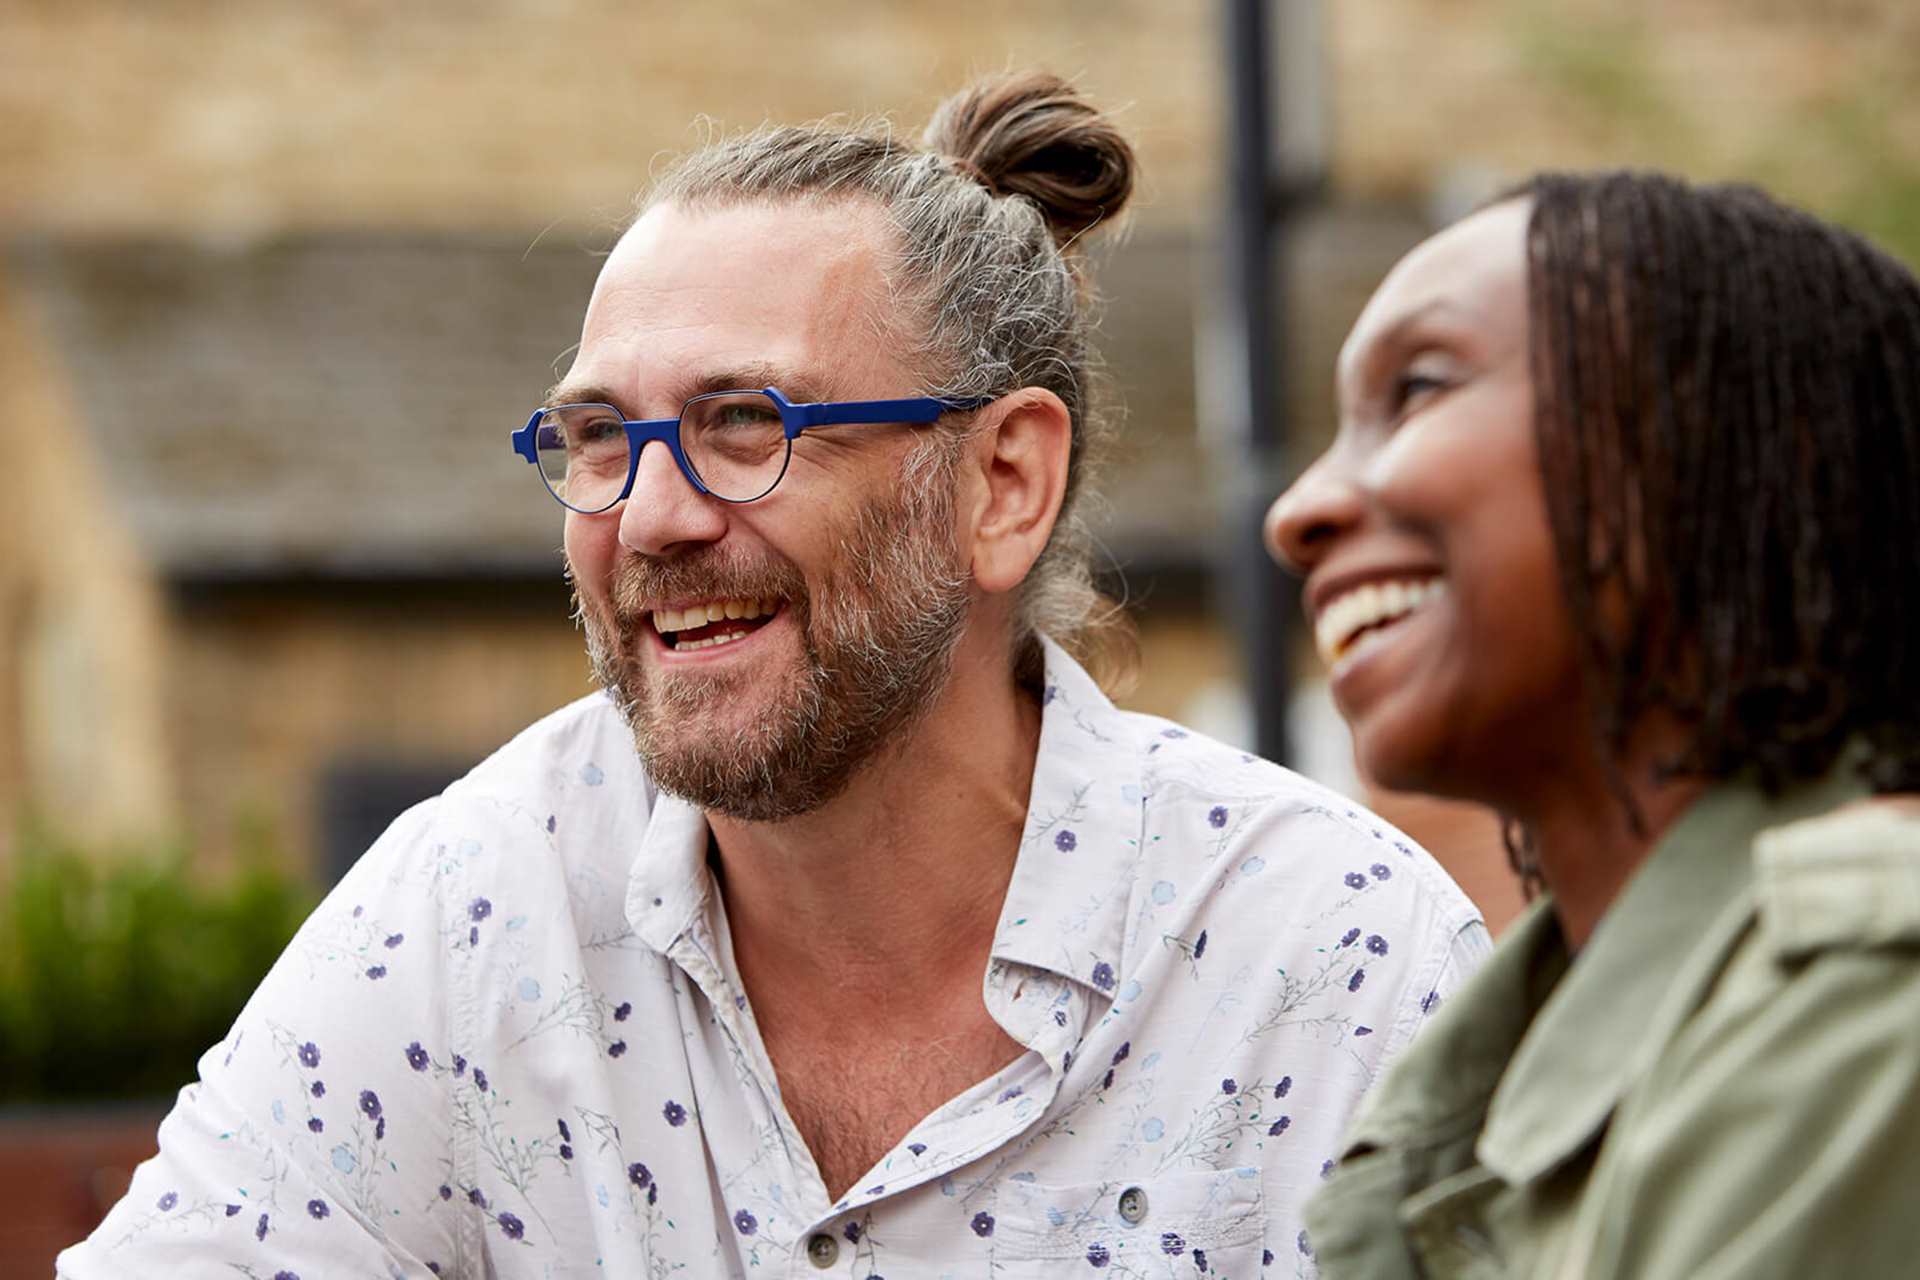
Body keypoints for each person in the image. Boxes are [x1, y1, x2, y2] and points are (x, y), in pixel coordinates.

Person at [60, 73, 1486, 1278]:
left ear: (1002, 484)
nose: (650, 514)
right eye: (602, 438)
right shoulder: (477, 911)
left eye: (748, 422)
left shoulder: (1328, 965)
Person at [1266, 170, 1920, 1278]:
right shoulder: (1472, 1080)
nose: (1298, 511)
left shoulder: (1866, 1000)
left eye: (1418, 388)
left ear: (1719, 447)